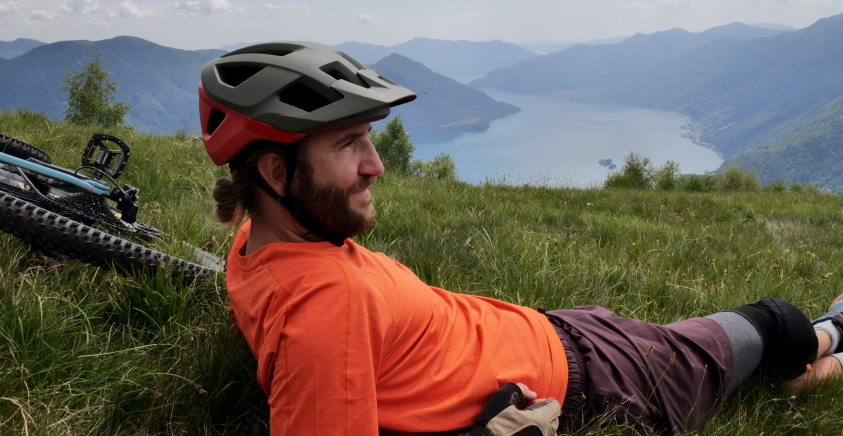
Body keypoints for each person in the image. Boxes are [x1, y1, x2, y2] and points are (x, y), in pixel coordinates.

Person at [198, 41, 843, 436]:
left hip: (564, 334)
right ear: (276, 171)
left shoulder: (258, 242)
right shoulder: (324, 310)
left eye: (369, 138)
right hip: (600, 383)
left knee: (707, 348)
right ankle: (831, 336)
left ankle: (779, 362)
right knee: (770, 325)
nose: (377, 164)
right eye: (348, 144)